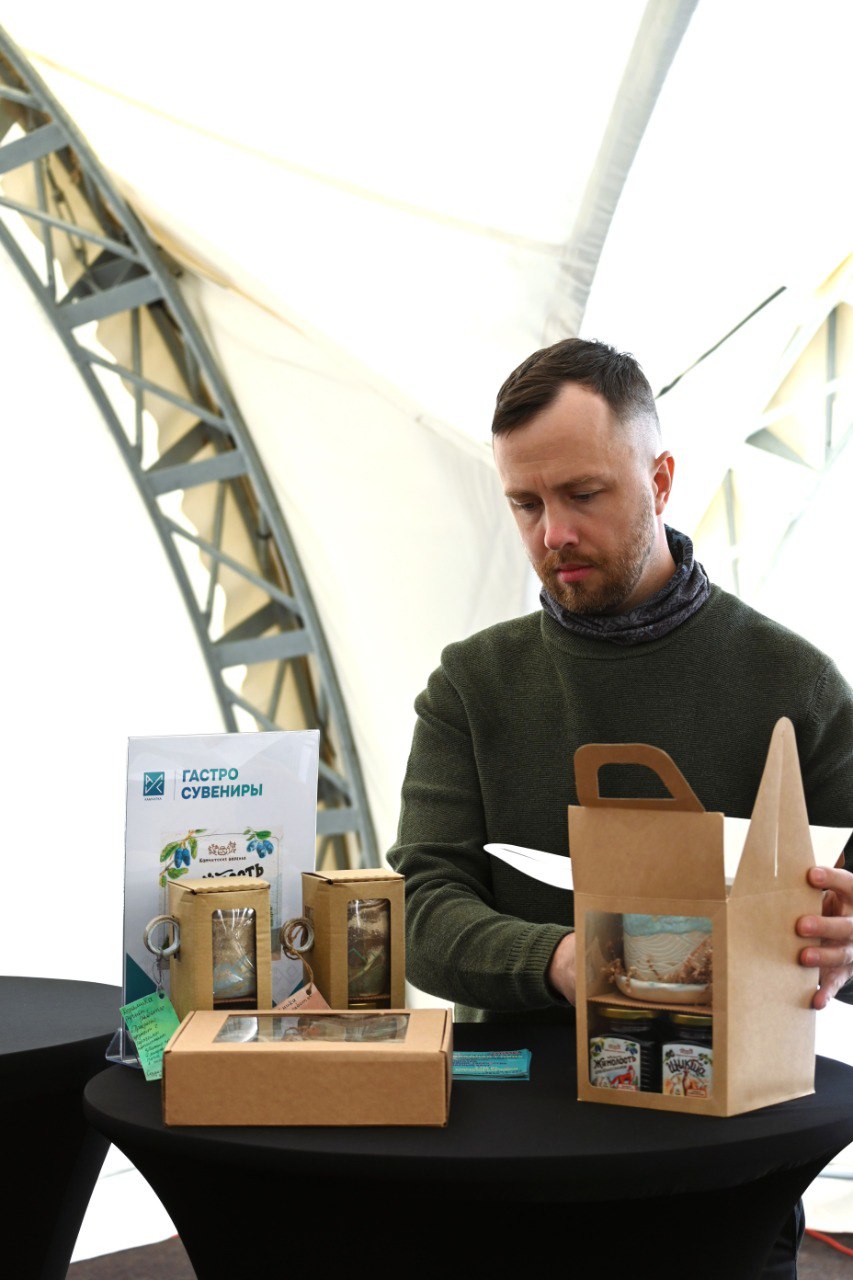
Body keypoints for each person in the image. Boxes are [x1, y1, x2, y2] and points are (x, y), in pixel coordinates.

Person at [387, 337, 853, 1277]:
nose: (552, 533)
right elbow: (419, 916)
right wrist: (567, 961)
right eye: (526, 504)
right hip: (510, 1157)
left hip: (726, 1169)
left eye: (583, 494)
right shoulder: (471, 686)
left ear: (661, 479)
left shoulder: (794, 686)